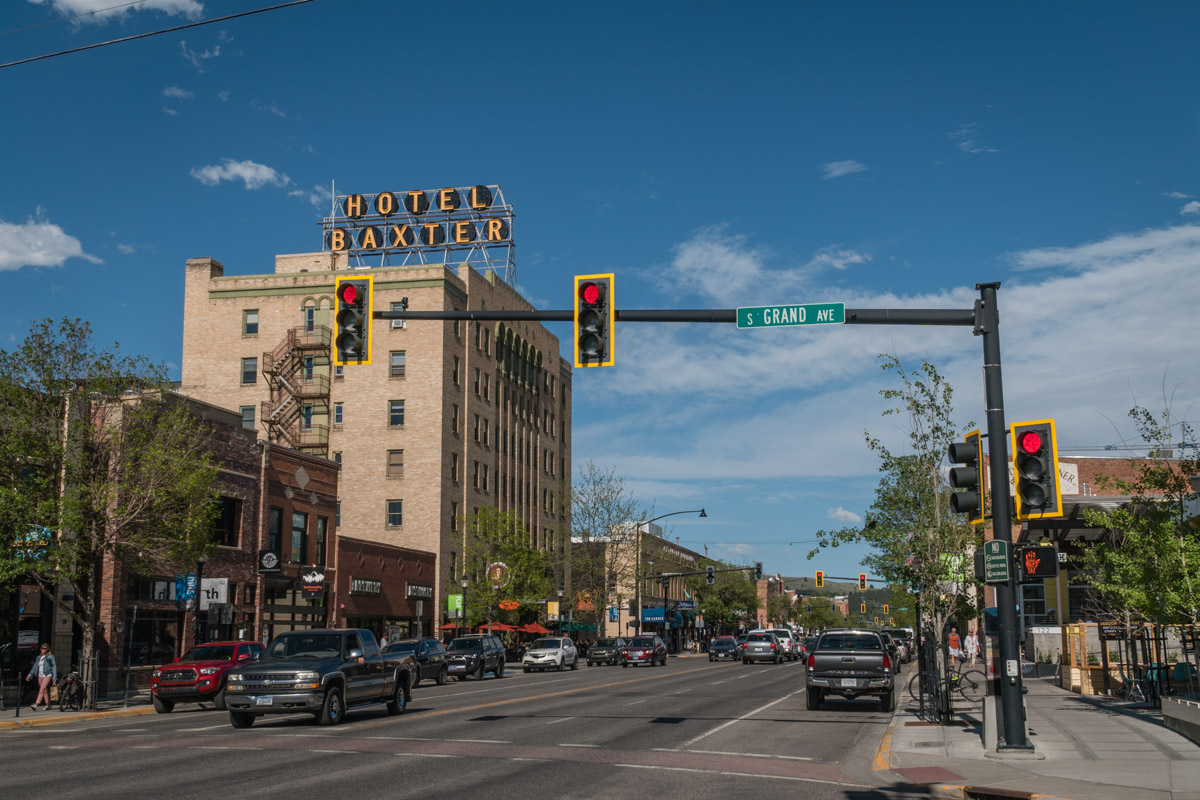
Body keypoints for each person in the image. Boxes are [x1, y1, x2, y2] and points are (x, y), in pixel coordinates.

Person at [26, 643, 57, 710]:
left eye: (45, 648)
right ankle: (48, 704)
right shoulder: (38, 657)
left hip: (47, 674)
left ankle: (36, 704)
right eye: (42, 648)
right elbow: (34, 667)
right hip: (40, 675)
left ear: (47, 649)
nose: (43, 650)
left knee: (42, 689)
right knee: (44, 690)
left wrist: (54, 677)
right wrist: (30, 675)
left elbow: (53, 666)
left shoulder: (50, 657)